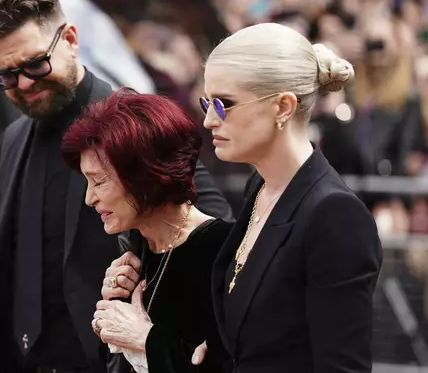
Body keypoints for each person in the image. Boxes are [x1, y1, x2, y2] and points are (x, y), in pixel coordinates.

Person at [0, 0, 234, 372]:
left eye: (35, 64)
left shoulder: (131, 126)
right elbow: (7, 275)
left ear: (70, 39)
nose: (23, 83)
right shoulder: (14, 138)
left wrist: (149, 319)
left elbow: (209, 234)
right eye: (6, 75)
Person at [105, 22, 383, 373]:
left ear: (283, 106)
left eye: (224, 104)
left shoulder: (335, 214)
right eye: (208, 102)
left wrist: (148, 339)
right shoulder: (261, 188)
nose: (207, 120)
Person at [61, 88, 232, 373]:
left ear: (145, 176)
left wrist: (144, 338)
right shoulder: (136, 247)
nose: (89, 198)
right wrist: (113, 310)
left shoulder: (222, 250)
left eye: (99, 182)